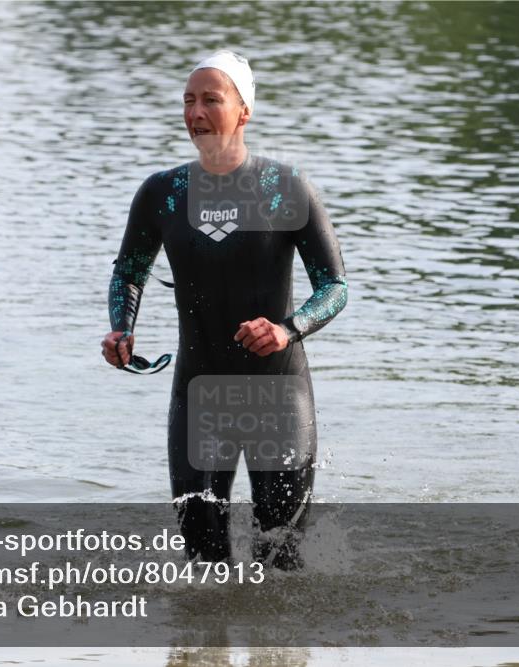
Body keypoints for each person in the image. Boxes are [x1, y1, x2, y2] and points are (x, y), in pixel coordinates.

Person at [101, 50, 347, 569]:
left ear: (244, 111)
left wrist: (288, 330)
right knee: (202, 564)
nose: (196, 112)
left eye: (211, 99)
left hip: (278, 399)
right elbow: (129, 270)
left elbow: (334, 288)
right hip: (199, 399)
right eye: (189, 100)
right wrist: (121, 329)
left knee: (281, 563)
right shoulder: (162, 193)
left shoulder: (286, 187)